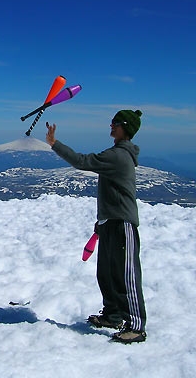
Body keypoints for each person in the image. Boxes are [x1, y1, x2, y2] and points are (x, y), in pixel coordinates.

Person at [45, 110, 147, 344]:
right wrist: (102, 221)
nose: (110, 126)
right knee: (107, 273)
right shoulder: (117, 154)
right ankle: (113, 315)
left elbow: (82, 161)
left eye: (115, 123)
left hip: (123, 224)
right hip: (111, 221)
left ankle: (136, 325)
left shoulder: (118, 156)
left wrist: (54, 144)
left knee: (126, 274)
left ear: (125, 128)